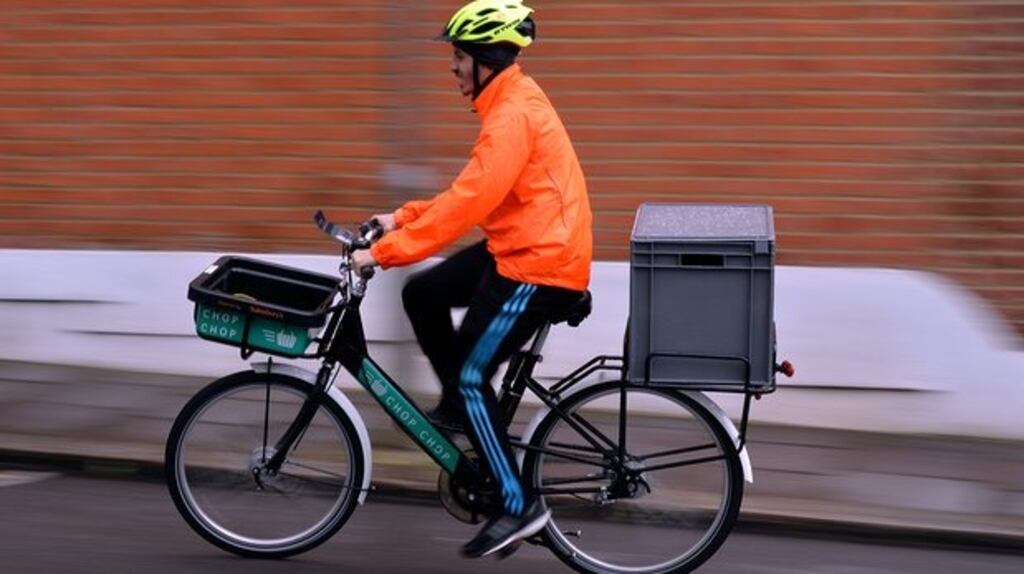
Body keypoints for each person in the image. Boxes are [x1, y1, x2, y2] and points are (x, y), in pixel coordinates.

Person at [352, 0, 592, 558]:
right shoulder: (508, 104)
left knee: (468, 372)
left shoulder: (512, 117)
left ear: (485, 59)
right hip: (521, 246)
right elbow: (470, 192)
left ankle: (518, 505)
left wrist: (382, 253)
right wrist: (402, 217)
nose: (453, 68)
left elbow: (468, 204)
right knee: (424, 294)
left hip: (540, 264)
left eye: (459, 57)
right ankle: (463, 410)